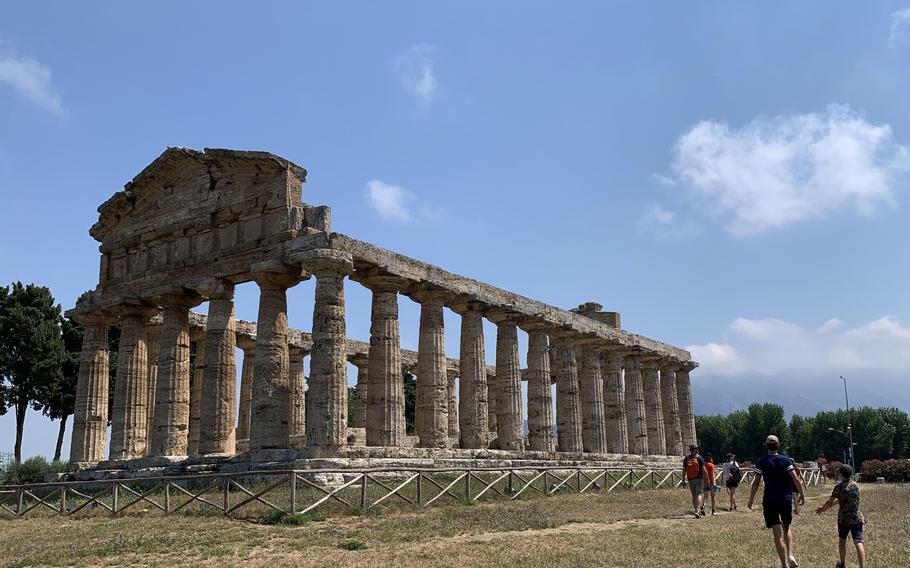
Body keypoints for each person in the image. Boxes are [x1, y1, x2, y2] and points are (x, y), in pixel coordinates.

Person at [748, 435, 806, 568]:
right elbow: (796, 479)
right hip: (785, 498)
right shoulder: (786, 460)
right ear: (778, 446)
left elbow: (756, 483)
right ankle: (790, 554)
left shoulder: (762, 461)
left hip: (769, 500)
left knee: (776, 532)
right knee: (787, 527)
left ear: (766, 446)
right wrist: (801, 494)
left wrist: (750, 500)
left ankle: (784, 565)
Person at [815, 464, 866, 568]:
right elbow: (843, 499)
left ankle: (842, 564)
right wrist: (830, 506)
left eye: (839, 473)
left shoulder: (838, 487)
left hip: (844, 519)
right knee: (858, 542)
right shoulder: (856, 486)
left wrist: (822, 509)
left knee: (842, 540)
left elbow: (830, 502)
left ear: (841, 474)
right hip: (857, 518)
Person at [682, 444, 708, 518]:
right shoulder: (699, 458)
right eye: (697, 448)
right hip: (699, 478)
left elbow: (684, 470)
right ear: (695, 450)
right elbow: (704, 469)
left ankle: (696, 510)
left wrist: (683, 480)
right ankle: (699, 510)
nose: (698, 450)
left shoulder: (686, 458)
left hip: (690, 479)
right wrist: (707, 479)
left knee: (694, 495)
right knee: (699, 494)